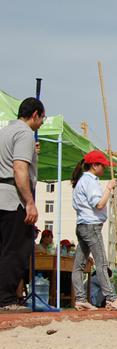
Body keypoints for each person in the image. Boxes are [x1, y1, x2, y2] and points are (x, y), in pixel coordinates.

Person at [0, 97, 45, 313]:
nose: (42, 123)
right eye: (42, 118)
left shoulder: (5, 131)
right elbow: (19, 168)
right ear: (35, 114)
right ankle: (6, 298)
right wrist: (29, 202)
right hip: (13, 198)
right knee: (16, 249)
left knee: (3, 248)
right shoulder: (25, 134)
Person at [70, 150, 117, 311]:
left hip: (82, 225)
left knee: (79, 265)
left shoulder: (82, 181)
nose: (105, 169)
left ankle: (80, 298)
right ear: (94, 165)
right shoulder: (90, 182)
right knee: (101, 263)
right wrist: (109, 188)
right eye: (103, 166)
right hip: (91, 226)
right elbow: (99, 204)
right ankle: (111, 298)